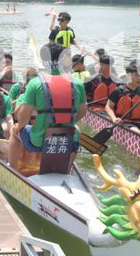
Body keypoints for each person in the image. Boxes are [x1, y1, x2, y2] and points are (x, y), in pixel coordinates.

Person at [11, 42, 87, 174]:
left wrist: (19, 127)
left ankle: (12, 170)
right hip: (67, 141)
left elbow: (24, 115)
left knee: (13, 130)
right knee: (75, 133)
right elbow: (82, 112)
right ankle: (66, 172)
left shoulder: (35, 83)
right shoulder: (78, 83)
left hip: (39, 141)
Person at [104, 62, 140, 136]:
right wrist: (114, 119)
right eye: (136, 75)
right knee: (138, 133)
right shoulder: (118, 90)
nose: (139, 78)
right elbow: (108, 107)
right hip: (124, 121)